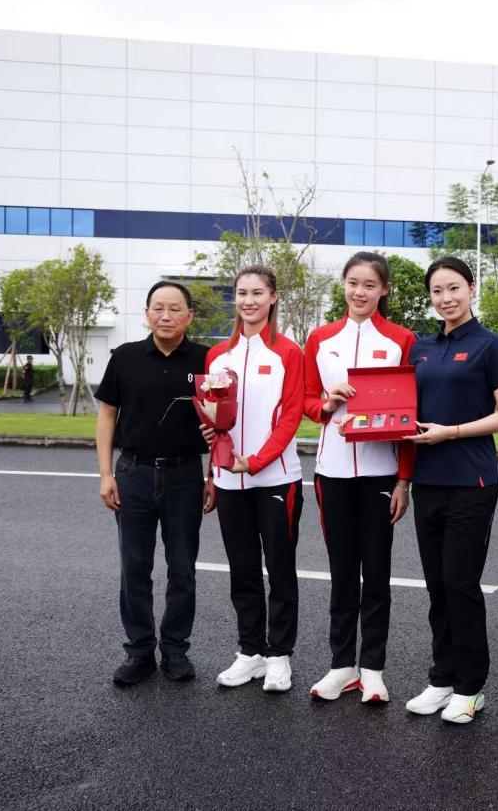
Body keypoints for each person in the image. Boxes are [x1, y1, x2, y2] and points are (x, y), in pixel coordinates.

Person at [402, 256, 498, 724]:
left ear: (471, 289)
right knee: (436, 586)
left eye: (454, 288)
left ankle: (471, 688)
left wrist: (450, 432)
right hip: (427, 481)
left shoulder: (490, 345)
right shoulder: (421, 348)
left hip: (471, 482)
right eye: (437, 291)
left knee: (460, 584)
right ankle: (442, 678)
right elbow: (402, 407)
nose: (445, 298)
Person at [301, 251, 416, 704]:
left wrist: (403, 480)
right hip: (332, 471)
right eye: (352, 282)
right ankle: (341, 666)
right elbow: (307, 401)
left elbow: (409, 413)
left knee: (378, 573)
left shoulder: (401, 339)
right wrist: (328, 404)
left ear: (384, 289)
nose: (359, 292)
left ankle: (373, 670)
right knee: (343, 571)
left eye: (369, 284)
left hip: (380, 472)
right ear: (343, 285)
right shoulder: (321, 338)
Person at [94, 281, 214, 686]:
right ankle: (140, 651)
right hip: (134, 474)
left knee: (182, 568)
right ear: (146, 313)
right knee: (134, 568)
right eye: (158, 308)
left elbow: (221, 423)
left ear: (189, 316)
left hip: (185, 476)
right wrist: (106, 474)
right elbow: (107, 415)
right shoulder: (125, 357)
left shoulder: (206, 360)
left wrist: (212, 475)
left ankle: (176, 650)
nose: (166, 316)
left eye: (175, 308)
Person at [206, 265, 305, 693]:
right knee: (242, 569)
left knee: (279, 569)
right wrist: (213, 468)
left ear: (273, 297)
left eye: (257, 293)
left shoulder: (289, 352)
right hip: (230, 482)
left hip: (276, 478)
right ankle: (251, 652)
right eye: (242, 293)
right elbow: (212, 418)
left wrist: (257, 461)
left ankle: (279, 655)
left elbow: (291, 416)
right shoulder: (217, 355)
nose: (248, 301)